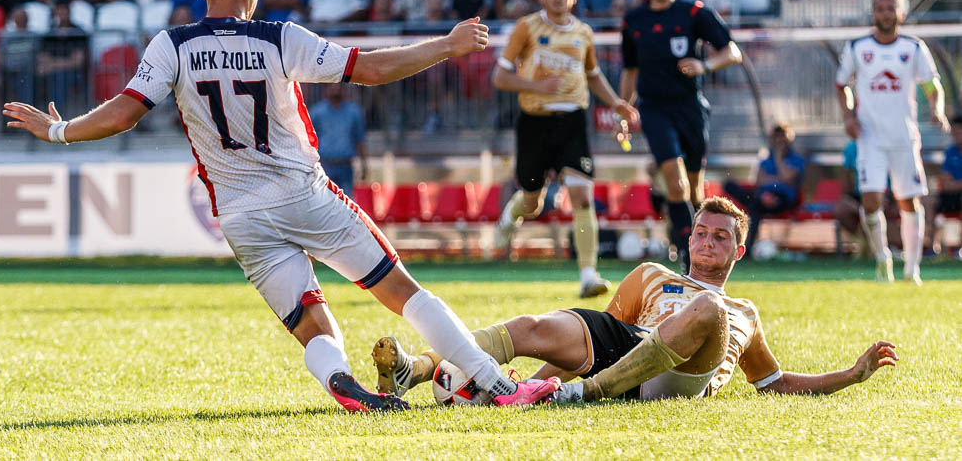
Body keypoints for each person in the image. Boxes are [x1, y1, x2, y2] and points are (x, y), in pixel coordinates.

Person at [3, 0, 562, 412]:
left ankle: (340, 379)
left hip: (239, 216)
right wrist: (446, 45)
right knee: (403, 292)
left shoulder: (170, 46)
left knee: (309, 320)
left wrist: (59, 130)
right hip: (303, 194)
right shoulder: (280, 39)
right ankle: (496, 384)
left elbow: (124, 113)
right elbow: (368, 69)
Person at [373, 197, 899, 403]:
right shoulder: (650, 274)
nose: (707, 242)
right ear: (688, 237)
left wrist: (850, 375)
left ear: (738, 251)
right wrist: (541, 373)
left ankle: (582, 396)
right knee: (536, 325)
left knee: (709, 308)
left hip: (681, 375)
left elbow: (774, 383)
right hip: (631, 353)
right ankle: (413, 371)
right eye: (700, 232)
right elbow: (595, 341)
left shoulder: (742, 312)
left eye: (720, 237)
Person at [491, 0, 637, 298]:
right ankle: (511, 214)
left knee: (582, 196)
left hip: (573, 122)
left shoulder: (583, 33)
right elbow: (499, 77)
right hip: (535, 122)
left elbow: (593, 75)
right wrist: (536, 86)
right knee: (533, 202)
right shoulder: (527, 28)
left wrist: (616, 103)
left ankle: (588, 275)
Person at [620, 0, 742, 272]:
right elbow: (630, 71)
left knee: (694, 189)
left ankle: (695, 246)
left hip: (690, 108)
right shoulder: (634, 21)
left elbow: (732, 52)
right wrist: (623, 109)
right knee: (675, 184)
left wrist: (705, 65)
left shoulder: (693, 13)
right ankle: (691, 263)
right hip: (654, 109)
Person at [835, 0, 949, 284]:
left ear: (902, 14)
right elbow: (841, 84)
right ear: (873, 14)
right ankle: (882, 258)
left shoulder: (913, 48)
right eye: (880, 9)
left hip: (903, 138)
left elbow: (932, 84)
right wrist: (848, 115)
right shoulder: (858, 47)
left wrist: (937, 109)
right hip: (870, 138)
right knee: (871, 200)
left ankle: (912, 269)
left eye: (891, 9)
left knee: (909, 201)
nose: (885, 14)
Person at [724, 124, 805, 245]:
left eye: (782, 137)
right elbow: (759, 181)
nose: (779, 140)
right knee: (730, 185)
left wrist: (778, 157)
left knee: (755, 206)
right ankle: (759, 201)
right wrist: (774, 184)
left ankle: (748, 247)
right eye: (776, 137)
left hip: (782, 199)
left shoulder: (797, 159)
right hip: (762, 195)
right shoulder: (765, 159)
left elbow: (788, 178)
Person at [308, 83, 366, 197]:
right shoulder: (317, 112)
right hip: (324, 167)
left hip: (346, 166)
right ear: (326, 89)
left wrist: (364, 164)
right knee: (324, 202)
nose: (335, 88)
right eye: (331, 86)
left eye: (338, 86)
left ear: (343, 89)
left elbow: (359, 139)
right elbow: (309, 141)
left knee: (346, 202)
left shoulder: (354, 112)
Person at [35, 2, 88, 116]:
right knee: (30, 77)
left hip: (75, 74)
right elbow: (42, 60)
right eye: (59, 13)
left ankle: (55, 115)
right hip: (51, 72)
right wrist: (60, 63)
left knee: (60, 76)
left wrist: (53, 64)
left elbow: (77, 62)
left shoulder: (78, 32)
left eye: (64, 12)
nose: (61, 15)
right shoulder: (49, 33)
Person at [926, 115, 962, 253]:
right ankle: (931, 247)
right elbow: (945, 183)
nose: (956, 134)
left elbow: (949, 182)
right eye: (954, 130)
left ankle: (959, 247)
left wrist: (954, 183)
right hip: (949, 195)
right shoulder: (949, 152)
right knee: (929, 202)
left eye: (959, 130)